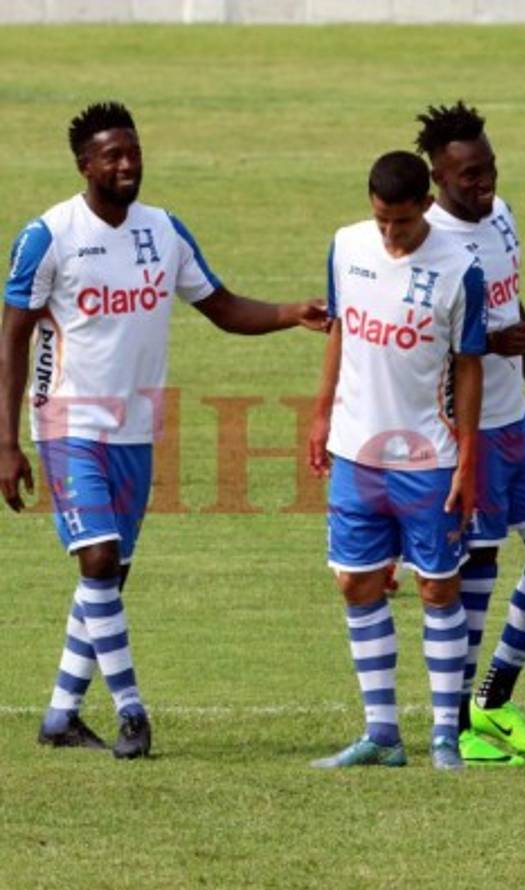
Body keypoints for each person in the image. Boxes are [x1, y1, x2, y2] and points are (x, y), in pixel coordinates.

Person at [0, 101, 325, 759]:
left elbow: (224, 307)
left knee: (108, 575)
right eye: (111, 155)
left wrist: (292, 311)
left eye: (133, 151)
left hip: (137, 428)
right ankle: (132, 714)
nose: (126, 164)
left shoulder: (164, 231)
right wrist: (6, 442)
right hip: (67, 423)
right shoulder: (50, 235)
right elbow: (11, 338)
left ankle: (61, 715)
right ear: (84, 165)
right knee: (95, 557)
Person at [306, 150, 486, 771]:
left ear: (425, 209)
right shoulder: (345, 246)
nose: (389, 234)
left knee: (437, 586)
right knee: (355, 582)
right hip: (356, 451)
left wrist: (467, 458)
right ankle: (381, 733)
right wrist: (321, 411)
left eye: (402, 223)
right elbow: (339, 330)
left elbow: (469, 366)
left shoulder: (461, 269)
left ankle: (443, 735)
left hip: (429, 457)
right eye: (381, 220)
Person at [415, 101, 525, 765]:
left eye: (490, 169)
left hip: (517, 424)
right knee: (477, 568)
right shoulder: (426, 245)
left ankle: (492, 698)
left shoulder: (500, 219)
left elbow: (512, 303)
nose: (485, 185)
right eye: (468, 176)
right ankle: (460, 725)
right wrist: (489, 341)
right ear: (437, 177)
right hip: (461, 431)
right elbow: (414, 350)